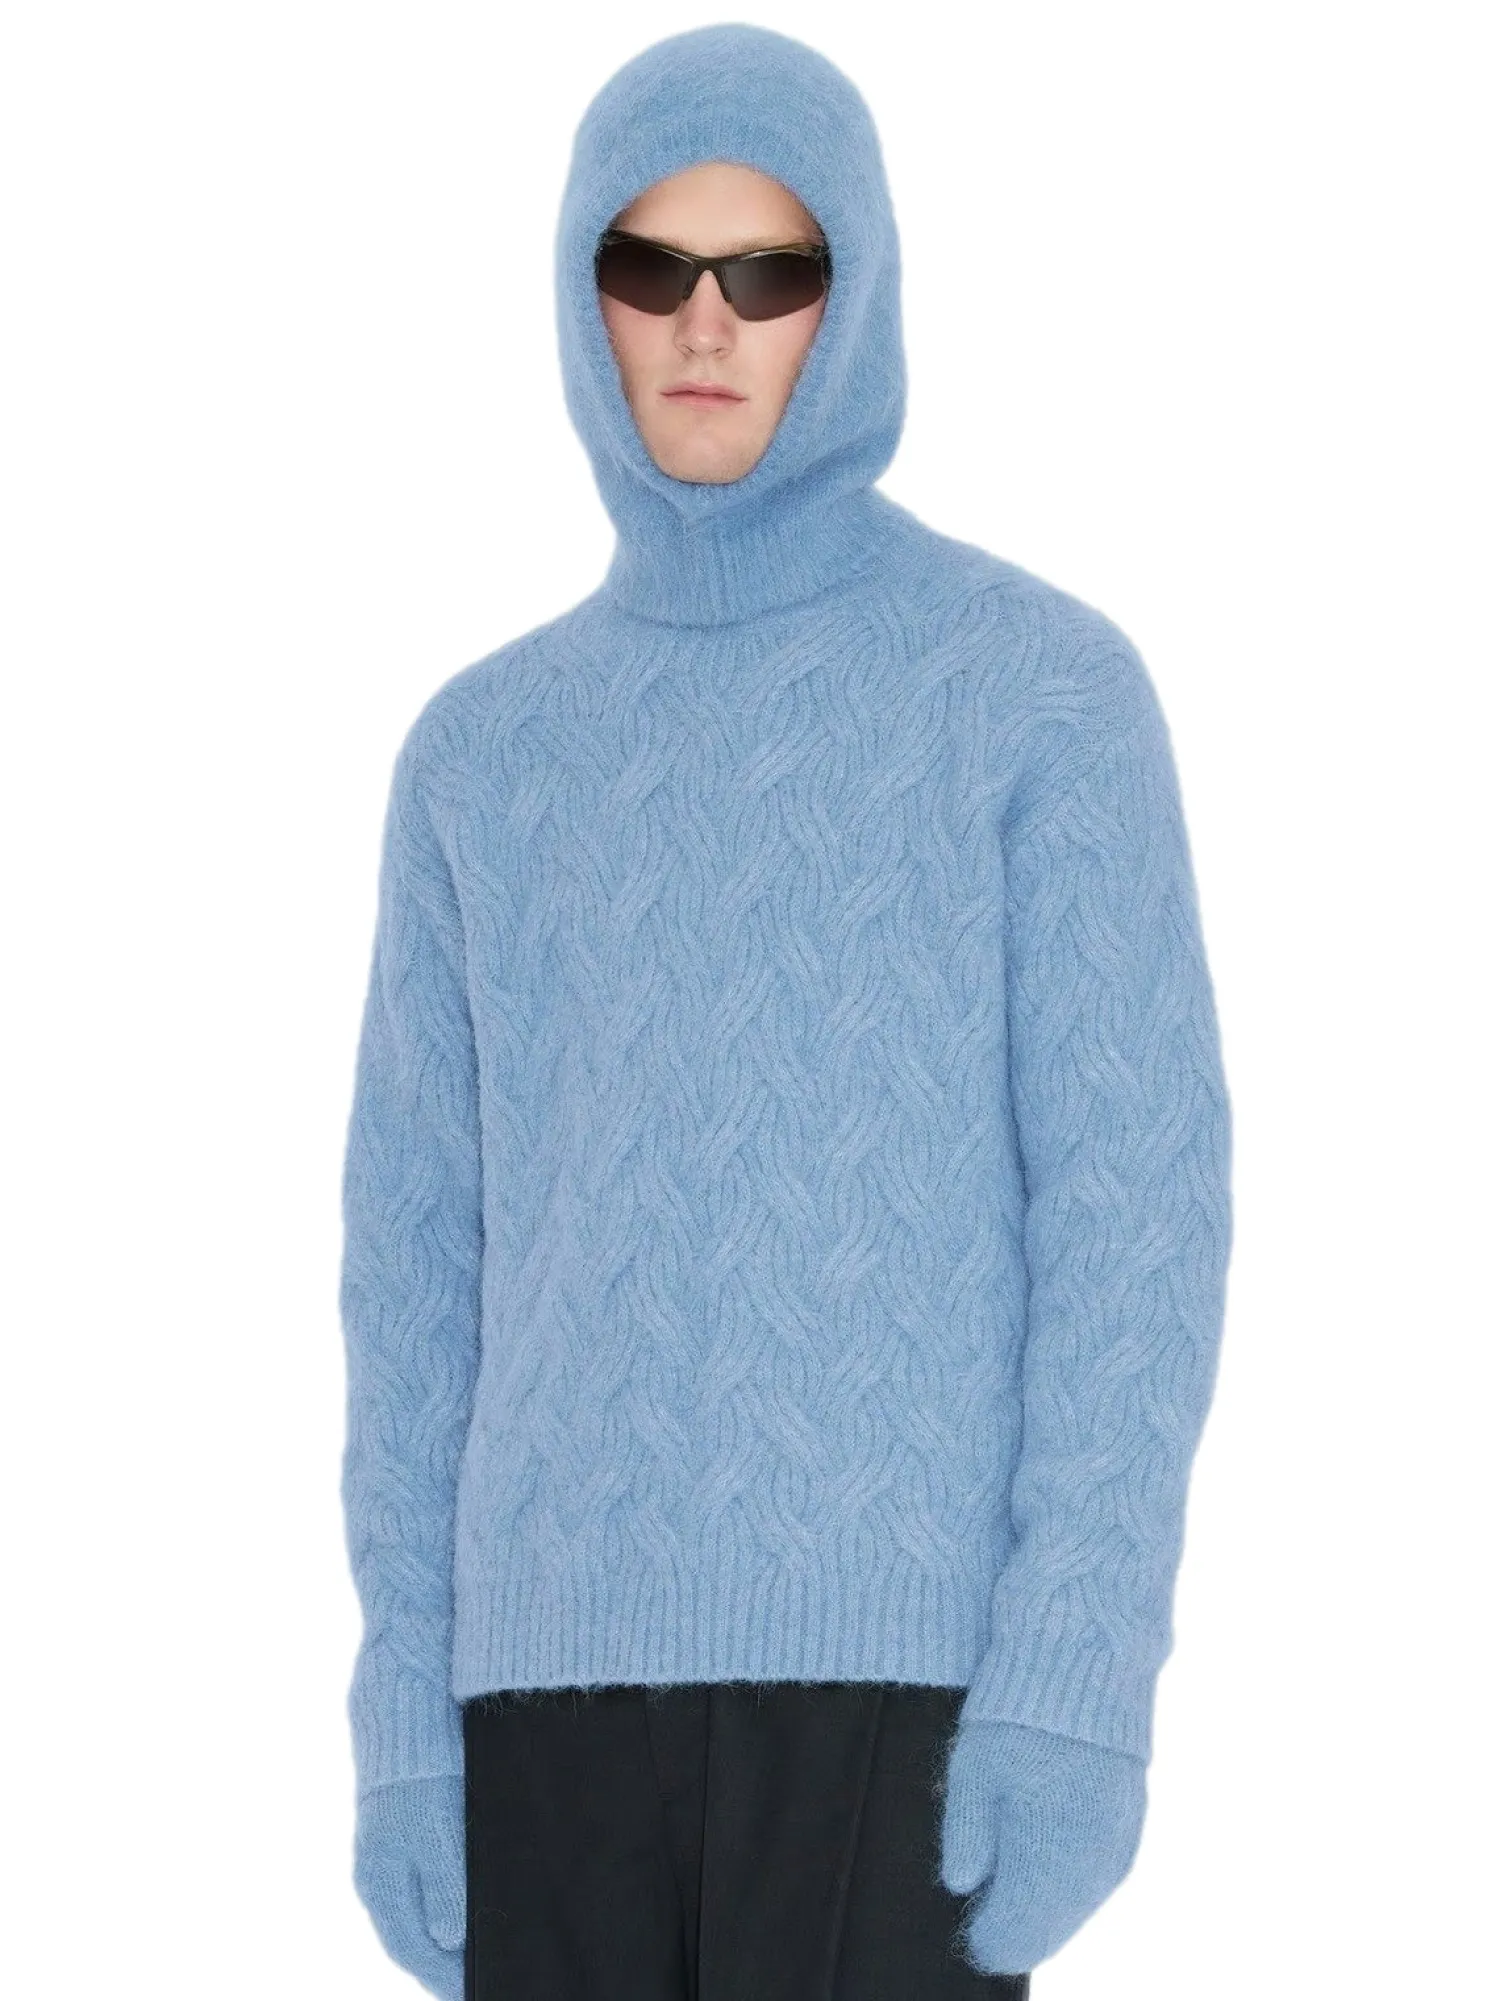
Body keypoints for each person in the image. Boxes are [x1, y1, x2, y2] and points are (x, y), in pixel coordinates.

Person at [338, 23, 1234, 2001]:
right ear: (581, 293)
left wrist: (1076, 1679)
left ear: (859, 294)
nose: (705, 322)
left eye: (770, 269)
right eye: (649, 264)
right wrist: (405, 1719)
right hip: (541, 1714)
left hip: (905, 1713)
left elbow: (1134, 1217)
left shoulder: (1039, 691)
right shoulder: (480, 755)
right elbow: (415, 1283)